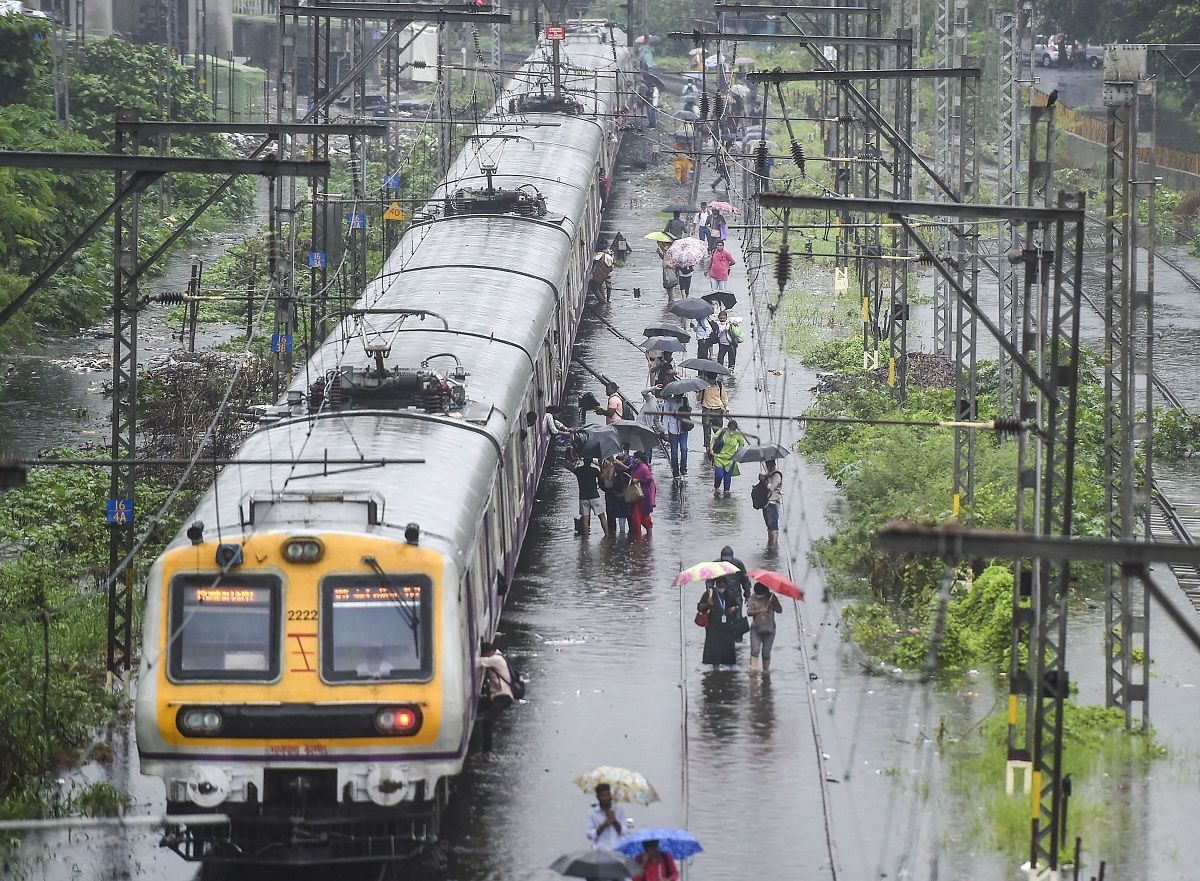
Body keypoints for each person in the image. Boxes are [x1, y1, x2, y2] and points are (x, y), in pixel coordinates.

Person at [476, 641, 514, 761]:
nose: (485, 657)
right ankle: (486, 752)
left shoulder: (495, 659)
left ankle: (487, 753)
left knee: (487, 720)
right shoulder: (499, 656)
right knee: (475, 709)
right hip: (495, 696)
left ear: (489, 653)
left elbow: (476, 663)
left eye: (485, 655)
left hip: (503, 696)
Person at [697, 579, 741, 666]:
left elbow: (737, 606)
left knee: (728, 649)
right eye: (720, 586)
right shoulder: (709, 594)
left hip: (727, 627)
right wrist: (708, 604)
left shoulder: (729, 594)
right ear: (716, 585)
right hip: (713, 626)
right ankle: (715, 668)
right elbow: (699, 608)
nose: (722, 588)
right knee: (714, 649)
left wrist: (734, 608)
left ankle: (730, 668)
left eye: (724, 586)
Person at [746, 582, 783, 674]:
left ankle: (765, 672)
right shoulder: (753, 598)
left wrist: (772, 606)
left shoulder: (772, 597)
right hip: (756, 628)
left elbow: (780, 610)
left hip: (770, 628)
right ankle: (753, 672)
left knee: (766, 652)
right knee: (755, 650)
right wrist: (760, 610)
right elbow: (749, 612)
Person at [567, 456, 606, 537]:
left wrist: (575, 463)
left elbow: (569, 466)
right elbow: (602, 477)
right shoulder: (594, 470)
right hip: (594, 496)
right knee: (602, 516)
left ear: (583, 461)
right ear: (591, 462)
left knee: (585, 519)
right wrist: (601, 466)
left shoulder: (578, 470)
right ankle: (607, 535)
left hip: (583, 497)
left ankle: (585, 539)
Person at [710, 418, 747, 498]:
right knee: (719, 475)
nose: (731, 432)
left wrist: (737, 453)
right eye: (730, 430)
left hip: (730, 459)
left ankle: (726, 495)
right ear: (728, 427)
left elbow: (742, 445)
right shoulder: (722, 431)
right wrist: (711, 449)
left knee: (727, 478)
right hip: (719, 457)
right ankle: (716, 488)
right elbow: (713, 439)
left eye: (733, 430)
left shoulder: (738, 435)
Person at [586, 783, 629, 850]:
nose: (606, 798)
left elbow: (624, 832)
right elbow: (590, 835)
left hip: (618, 849)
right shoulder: (592, 813)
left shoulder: (619, 810)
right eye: (603, 796)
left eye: (608, 795)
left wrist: (614, 821)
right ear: (598, 797)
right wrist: (604, 824)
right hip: (601, 850)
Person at [660, 391, 692, 479]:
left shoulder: (685, 401)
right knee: (674, 451)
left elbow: (687, 415)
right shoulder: (669, 402)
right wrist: (665, 432)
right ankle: (675, 471)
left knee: (684, 449)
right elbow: (665, 417)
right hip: (672, 429)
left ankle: (683, 469)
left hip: (683, 429)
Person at [697, 374, 729, 455]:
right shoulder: (703, 385)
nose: (711, 381)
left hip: (718, 410)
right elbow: (698, 399)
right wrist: (700, 391)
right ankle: (707, 448)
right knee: (706, 430)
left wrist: (727, 409)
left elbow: (724, 398)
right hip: (706, 409)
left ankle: (718, 448)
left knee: (718, 431)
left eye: (713, 379)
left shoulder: (719, 385)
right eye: (710, 379)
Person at [600, 455, 631, 536]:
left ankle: (614, 533)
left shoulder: (613, 468)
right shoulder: (611, 468)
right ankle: (616, 533)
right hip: (614, 493)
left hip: (614, 494)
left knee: (616, 514)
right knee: (617, 514)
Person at [628, 450, 656, 536]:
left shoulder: (644, 468)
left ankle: (638, 538)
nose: (634, 459)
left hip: (643, 495)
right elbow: (628, 469)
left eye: (636, 458)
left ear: (640, 459)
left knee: (637, 516)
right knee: (644, 516)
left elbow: (649, 479)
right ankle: (648, 537)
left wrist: (638, 480)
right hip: (638, 494)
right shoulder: (636, 467)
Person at [636, 387, 664, 464]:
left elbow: (657, 421)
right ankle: (644, 463)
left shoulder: (659, 408)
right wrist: (653, 388)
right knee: (645, 446)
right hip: (641, 425)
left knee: (648, 447)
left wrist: (664, 431)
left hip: (648, 427)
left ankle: (647, 463)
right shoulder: (651, 398)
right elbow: (643, 392)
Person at [759, 459, 783, 548]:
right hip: (766, 503)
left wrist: (765, 481)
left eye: (769, 464)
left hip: (773, 503)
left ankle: (774, 545)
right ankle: (770, 544)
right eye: (767, 464)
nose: (768, 466)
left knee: (773, 526)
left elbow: (771, 488)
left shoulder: (777, 475)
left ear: (773, 464)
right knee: (769, 526)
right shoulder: (768, 475)